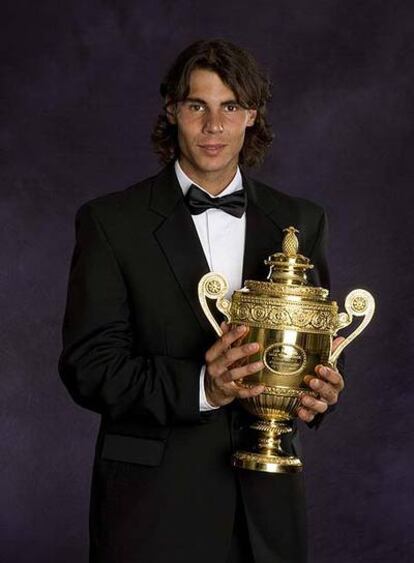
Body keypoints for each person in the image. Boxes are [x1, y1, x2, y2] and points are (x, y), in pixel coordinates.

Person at [59, 39, 345, 563]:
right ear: (173, 112)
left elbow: (315, 352)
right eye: (197, 106)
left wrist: (320, 392)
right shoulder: (110, 222)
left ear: (251, 115)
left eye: (230, 106)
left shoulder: (301, 221)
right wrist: (202, 387)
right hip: (152, 511)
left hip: (267, 512)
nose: (214, 126)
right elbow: (88, 367)